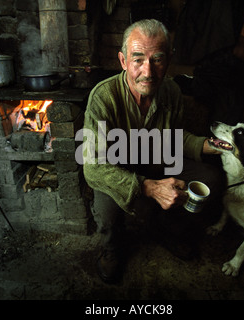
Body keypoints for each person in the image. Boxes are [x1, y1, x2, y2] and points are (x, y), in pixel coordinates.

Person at [82, 19, 224, 283]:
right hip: (118, 169)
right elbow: (93, 167)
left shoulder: (171, 91)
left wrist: (207, 145)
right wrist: (148, 187)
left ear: (168, 60)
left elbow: (173, 139)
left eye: (157, 59)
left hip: (156, 159)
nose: (148, 71)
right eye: (138, 59)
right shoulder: (103, 97)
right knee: (106, 208)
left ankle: (168, 228)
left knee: (212, 179)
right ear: (123, 61)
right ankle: (112, 248)